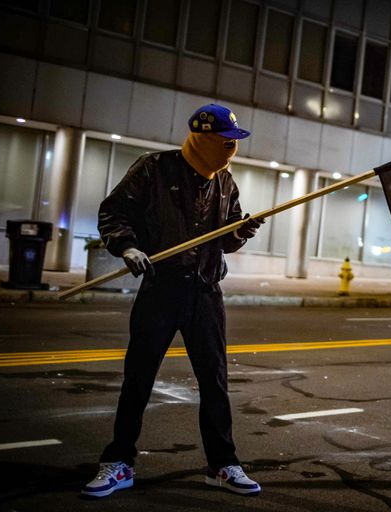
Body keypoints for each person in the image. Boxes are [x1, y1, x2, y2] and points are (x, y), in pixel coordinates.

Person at [82, 104, 264, 499]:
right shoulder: (153, 169)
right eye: (225, 141)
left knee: (214, 383)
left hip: (205, 293)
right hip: (160, 290)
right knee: (138, 379)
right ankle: (119, 463)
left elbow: (225, 239)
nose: (231, 149)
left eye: (234, 142)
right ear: (202, 138)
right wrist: (127, 247)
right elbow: (114, 213)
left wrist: (242, 231)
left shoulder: (225, 182)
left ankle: (222, 465)